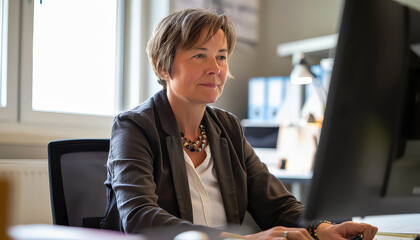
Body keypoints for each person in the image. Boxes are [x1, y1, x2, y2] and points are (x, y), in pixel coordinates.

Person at [100, 8, 378, 240]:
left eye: (221, 56)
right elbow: (140, 218)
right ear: (164, 66)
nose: (216, 68)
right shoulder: (134, 126)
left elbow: (277, 203)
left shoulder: (227, 127)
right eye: (199, 55)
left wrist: (323, 228)